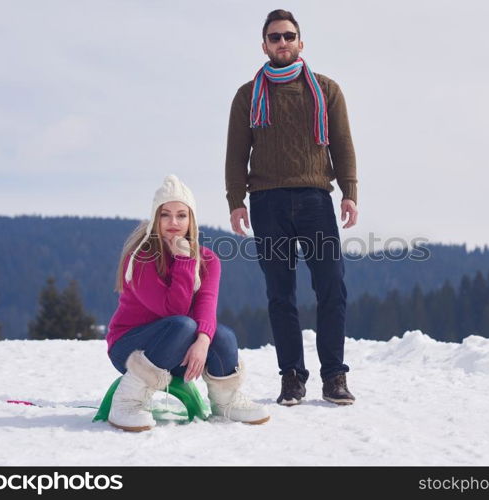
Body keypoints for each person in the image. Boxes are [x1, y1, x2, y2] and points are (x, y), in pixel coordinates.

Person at [225, 9, 358, 406]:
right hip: (267, 203)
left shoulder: (326, 90)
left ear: (301, 42)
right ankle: (291, 377)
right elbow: (236, 155)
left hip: (317, 199)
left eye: (288, 36)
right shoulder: (248, 95)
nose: (282, 42)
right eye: (274, 37)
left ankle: (334, 376)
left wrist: (349, 191)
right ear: (264, 45)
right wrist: (236, 201)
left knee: (331, 287)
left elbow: (343, 144)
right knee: (280, 293)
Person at [106, 175, 270, 431]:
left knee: (222, 336)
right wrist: (183, 261)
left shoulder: (209, 260)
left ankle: (225, 400)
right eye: (165, 215)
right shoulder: (141, 257)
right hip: (130, 350)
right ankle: (128, 401)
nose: (174, 222)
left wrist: (204, 342)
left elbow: (206, 306)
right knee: (183, 325)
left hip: (180, 351)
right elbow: (174, 310)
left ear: (191, 219)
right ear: (155, 218)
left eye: (182, 215)